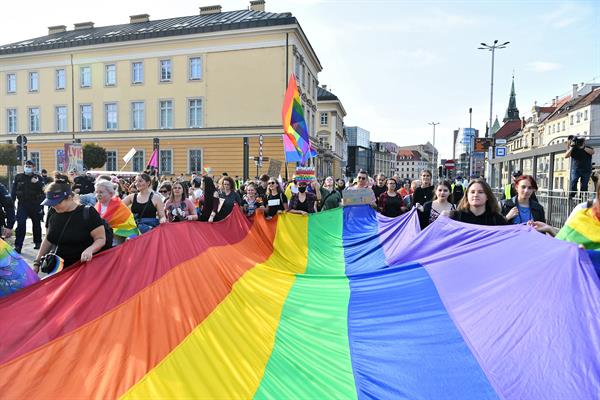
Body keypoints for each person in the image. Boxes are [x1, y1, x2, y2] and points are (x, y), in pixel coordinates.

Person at [33, 175, 106, 271]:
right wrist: (37, 263)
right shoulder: (53, 212)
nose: (54, 206)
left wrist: (90, 250)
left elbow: (100, 239)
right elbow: (48, 239)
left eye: (58, 202)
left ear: (70, 197)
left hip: (82, 268)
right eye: (51, 203)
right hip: (57, 269)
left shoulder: (88, 212)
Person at [11, 160, 44, 253]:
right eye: (26, 165)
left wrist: (37, 183)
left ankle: (38, 242)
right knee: (21, 224)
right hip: (22, 204)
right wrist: (11, 203)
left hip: (35, 204)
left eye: (30, 166)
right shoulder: (18, 177)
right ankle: (18, 246)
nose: (27, 167)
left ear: (33, 167)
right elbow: (13, 191)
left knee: (36, 224)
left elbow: (45, 189)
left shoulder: (38, 177)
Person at [95, 179, 140, 244]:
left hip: (118, 236)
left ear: (110, 193)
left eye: (101, 192)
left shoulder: (120, 206)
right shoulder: (96, 206)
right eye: (96, 192)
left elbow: (130, 225)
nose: (98, 195)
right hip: (101, 236)